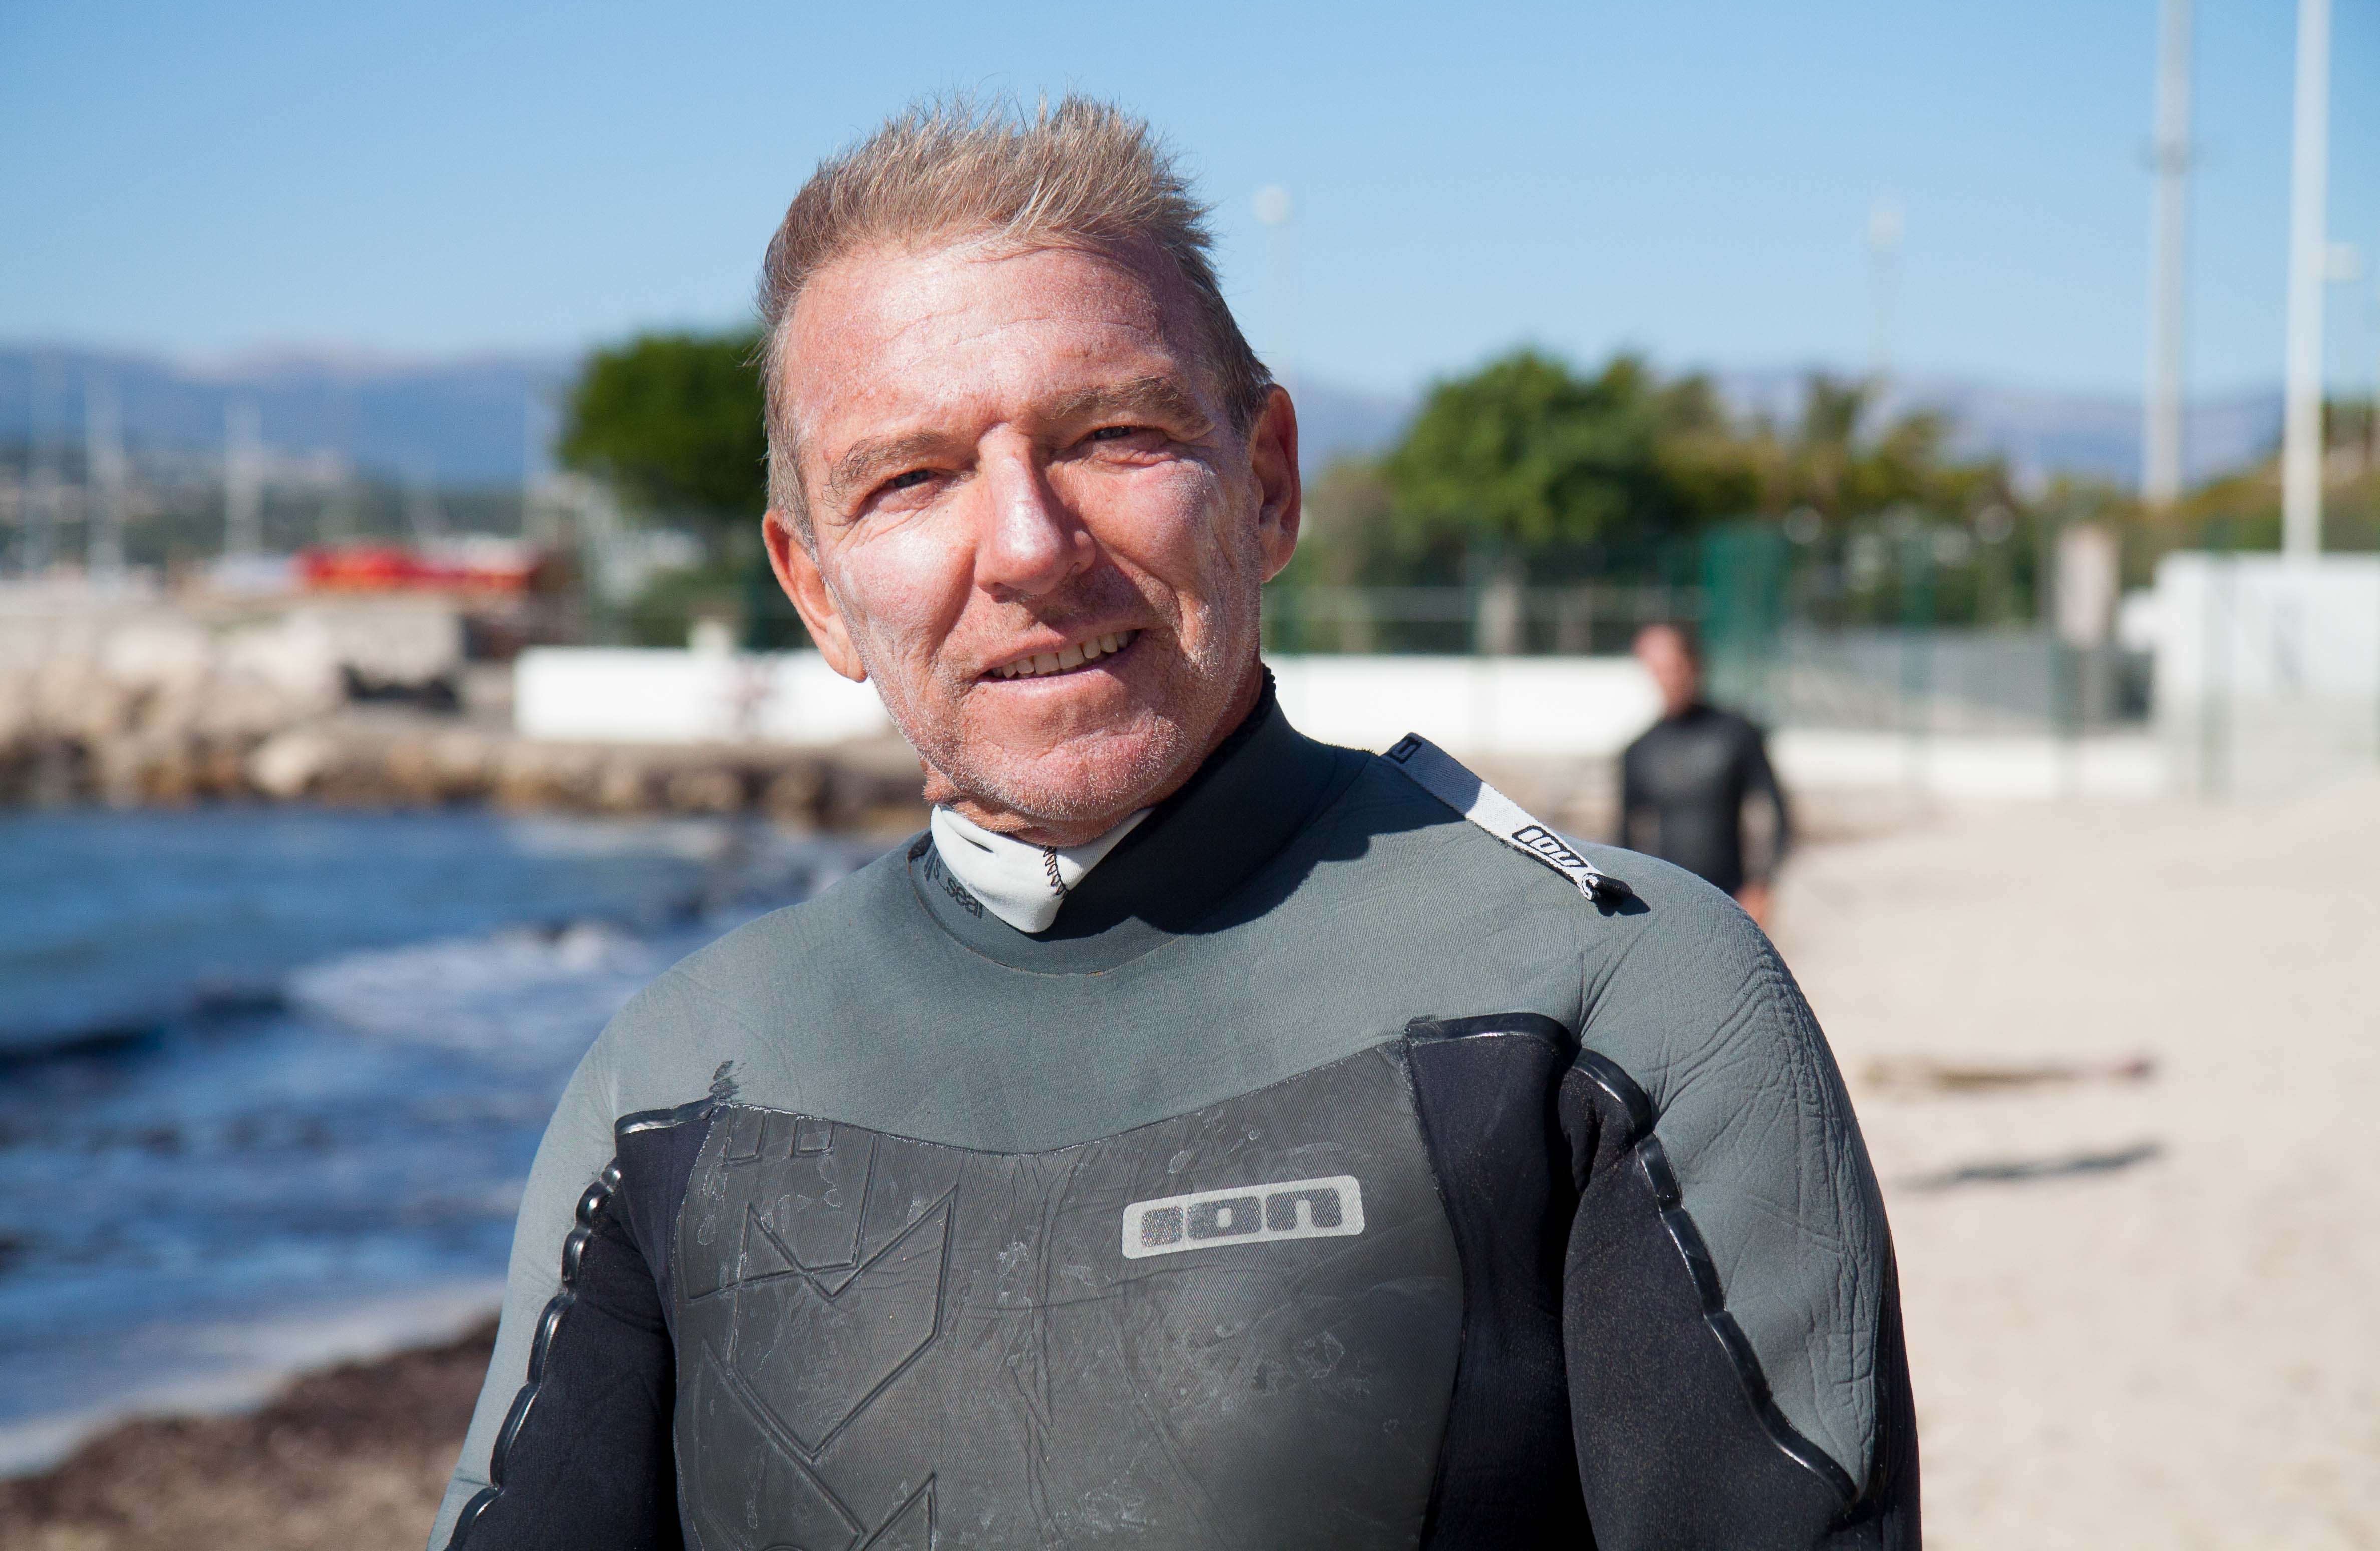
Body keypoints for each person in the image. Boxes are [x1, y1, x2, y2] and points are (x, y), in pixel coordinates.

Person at [431, 99, 1915, 1551]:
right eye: (911, 478)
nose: (1026, 546)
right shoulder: (673, 1083)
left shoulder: (1618, 1003)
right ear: (817, 589)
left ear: (1264, 484)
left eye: (1113, 434)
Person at [1621, 622, 1792, 927]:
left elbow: (1780, 813)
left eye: (1674, 667)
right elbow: (1623, 839)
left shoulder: (1737, 734)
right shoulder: (1639, 752)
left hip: (1734, 903)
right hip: (1664, 908)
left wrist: (1762, 886)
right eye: (1657, 670)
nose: (1669, 679)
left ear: (1694, 664)